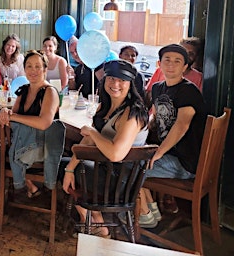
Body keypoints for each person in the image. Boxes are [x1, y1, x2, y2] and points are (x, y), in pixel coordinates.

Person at [62, 59, 149, 238]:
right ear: (104, 80)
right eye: (111, 78)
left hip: (120, 182)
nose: (115, 84)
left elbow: (116, 154)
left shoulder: (133, 113)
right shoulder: (106, 106)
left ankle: (96, 223)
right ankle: (94, 220)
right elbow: (87, 142)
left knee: (63, 168)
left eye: (122, 80)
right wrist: (70, 168)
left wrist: (94, 133)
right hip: (106, 170)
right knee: (64, 165)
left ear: (131, 84)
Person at [136, 44, 206, 227]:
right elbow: (156, 119)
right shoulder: (159, 88)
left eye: (177, 61)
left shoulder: (188, 91)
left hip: (183, 161)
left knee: (130, 167)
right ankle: (150, 209)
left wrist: (158, 152)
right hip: (167, 153)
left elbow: (182, 125)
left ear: (185, 67)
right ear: (159, 63)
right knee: (130, 156)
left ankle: (144, 215)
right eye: (167, 60)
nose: (171, 65)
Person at [0, 50, 61, 199]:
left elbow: (44, 123)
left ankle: (25, 184)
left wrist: (14, 117)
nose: (33, 71)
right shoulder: (24, 91)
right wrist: (6, 111)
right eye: (29, 66)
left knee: (0, 153)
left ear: (45, 69)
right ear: (24, 69)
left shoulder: (49, 92)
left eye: (38, 67)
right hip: (23, 143)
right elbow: (11, 119)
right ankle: (26, 185)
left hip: (41, 146)